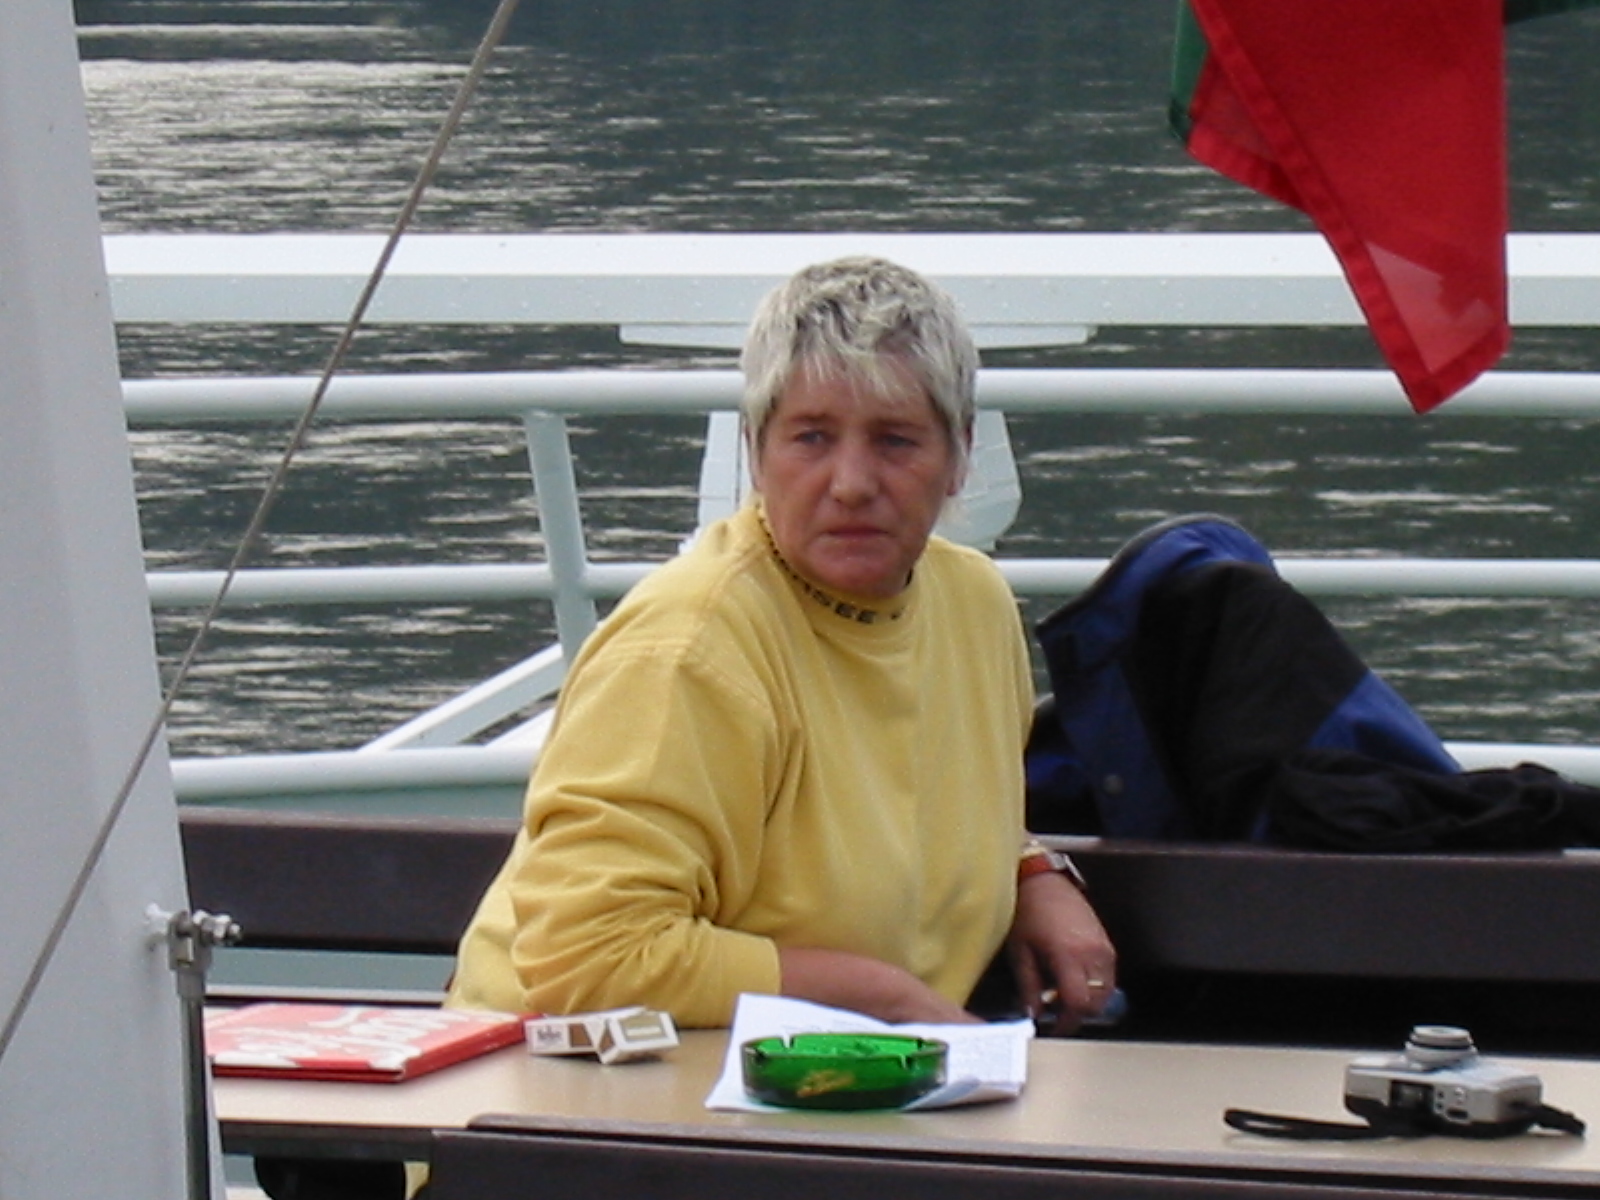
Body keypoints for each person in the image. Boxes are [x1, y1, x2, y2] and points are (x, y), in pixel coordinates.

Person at [447, 256, 1115, 1033]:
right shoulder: (689, 647)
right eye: (812, 438)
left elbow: (922, 805)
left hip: (831, 1077)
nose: (852, 482)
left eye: (897, 441)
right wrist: (882, 1000)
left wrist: (1032, 871)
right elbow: (585, 955)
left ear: (960, 456)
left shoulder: (974, 606)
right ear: (757, 452)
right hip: (565, 1077)